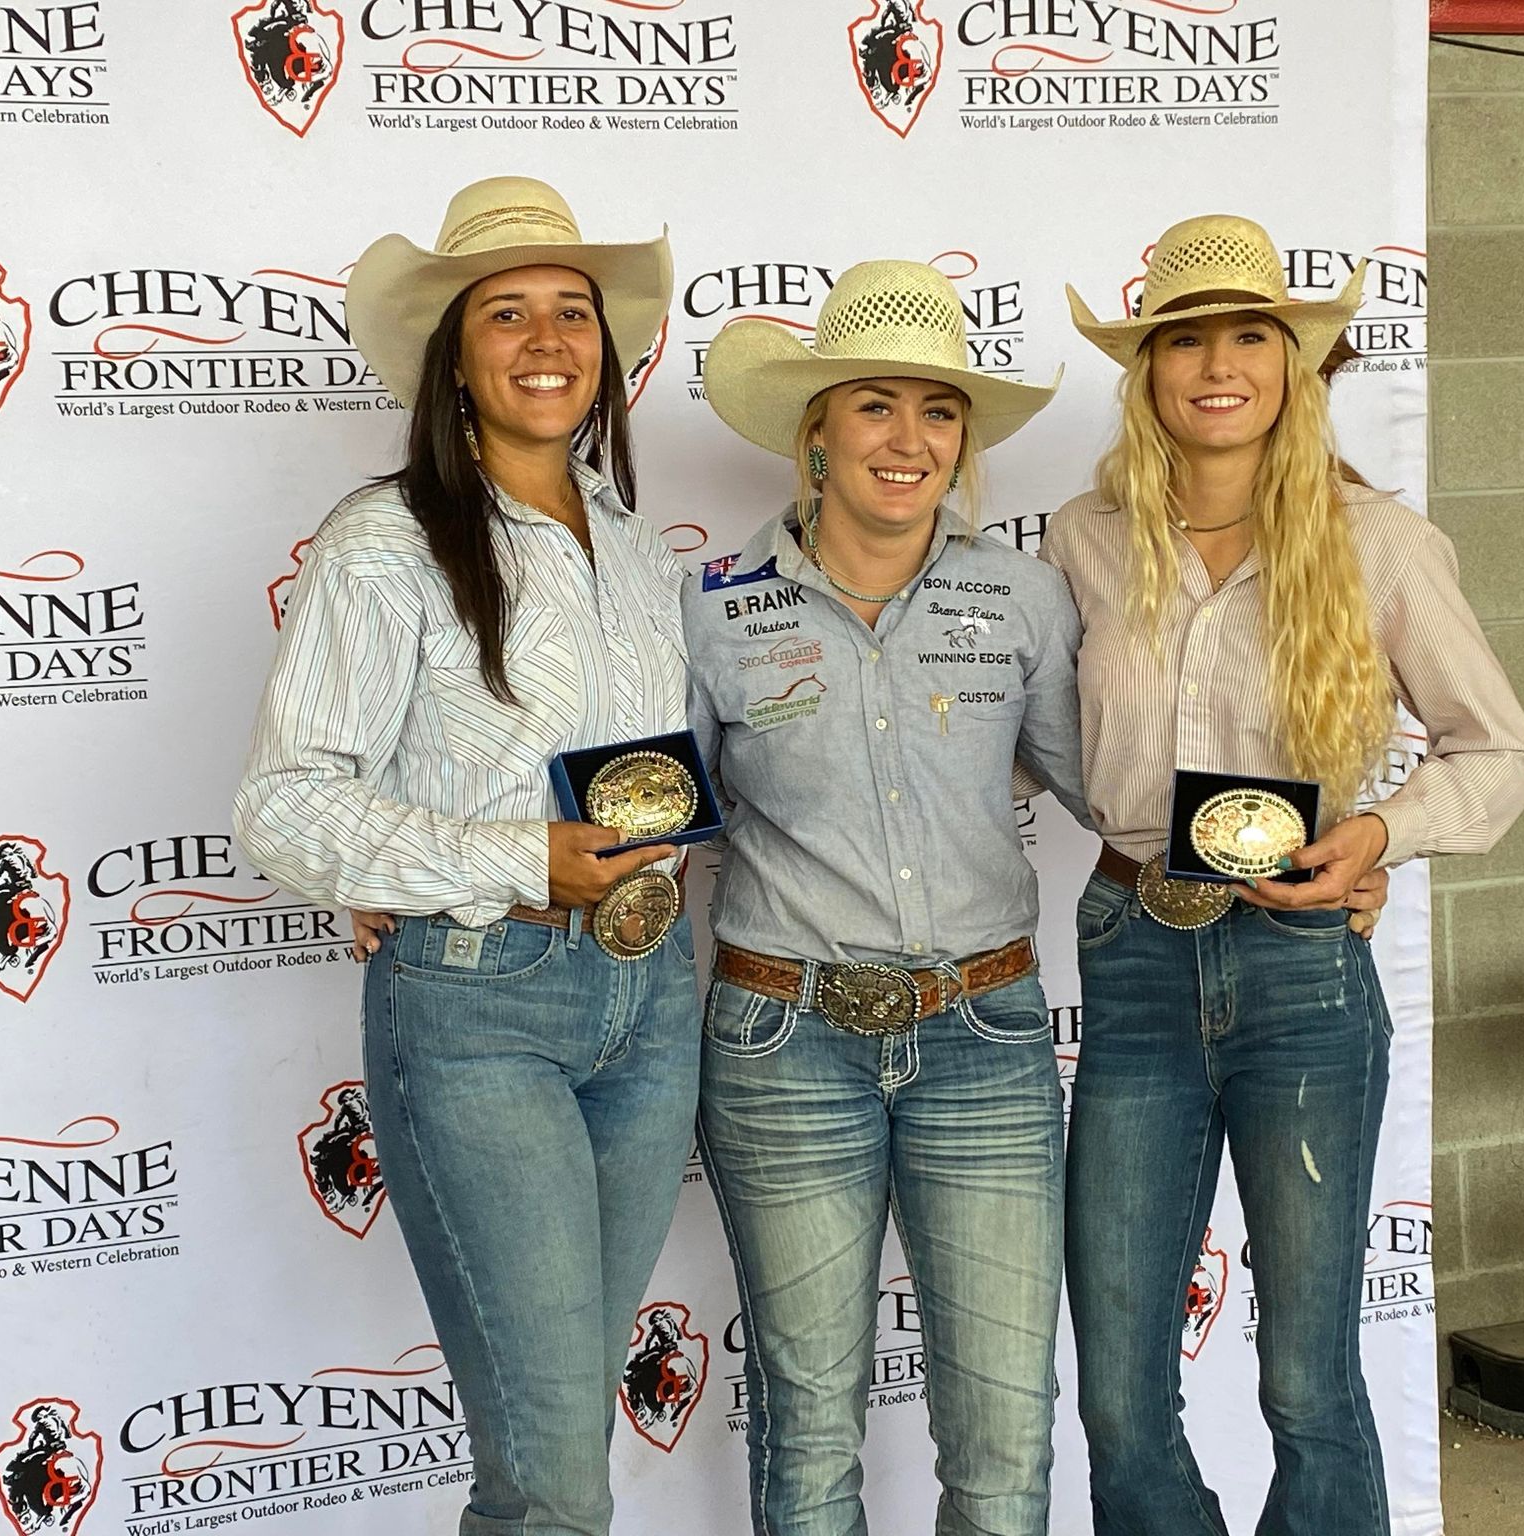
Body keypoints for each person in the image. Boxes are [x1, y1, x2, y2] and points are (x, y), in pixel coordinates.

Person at [1046, 215, 1524, 1536]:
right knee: (1116, 1391)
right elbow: (1027, 741)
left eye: (1251, 337)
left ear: (1297, 363)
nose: (1219, 365)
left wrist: (1378, 837)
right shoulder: (1081, 539)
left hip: (1302, 971)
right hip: (1136, 953)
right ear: (1147, 372)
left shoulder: (1379, 543)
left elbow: (1501, 750)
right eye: (1186, 340)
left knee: (1311, 1384)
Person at [233, 176, 695, 1536]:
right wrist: (494, 862)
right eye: (508, 312)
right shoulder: (384, 543)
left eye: (573, 311)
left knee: (556, 1442)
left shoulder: (635, 545)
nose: (548, 340)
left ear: (608, 351)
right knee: (551, 1470)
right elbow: (284, 803)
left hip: (650, 1003)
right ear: (455, 352)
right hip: (481, 1005)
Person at [684, 259, 1085, 1535]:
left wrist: (1304, 838)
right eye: (873, 407)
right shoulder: (707, 609)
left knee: (1006, 1432)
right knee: (808, 1435)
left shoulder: (1021, 596)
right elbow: (637, 816)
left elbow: (1109, 790)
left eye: (937, 411)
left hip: (986, 1035)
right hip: (782, 1039)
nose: (907, 440)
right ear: (813, 432)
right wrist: (420, 876)